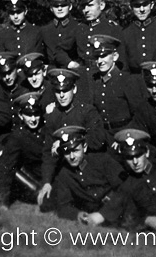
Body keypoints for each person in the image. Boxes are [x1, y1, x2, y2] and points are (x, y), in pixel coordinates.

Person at [36, 69, 107, 207]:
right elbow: (48, 153)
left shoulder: (87, 111)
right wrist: (46, 182)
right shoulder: (53, 116)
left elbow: (99, 139)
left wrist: (67, 143)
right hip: (66, 171)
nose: (62, 95)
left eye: (66, 90)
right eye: (58, 91)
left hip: (88, 167)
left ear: (74, 89)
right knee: (46, 202)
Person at [44, 126, 128, 223]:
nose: (71, 157)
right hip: (93, 215)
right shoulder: (64, 173)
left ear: (84, 147)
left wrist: (103, 214)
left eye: (75, 151)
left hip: (119, 209)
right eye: (67, 152)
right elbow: (63, 206)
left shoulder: (103, 161)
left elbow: (125, 188)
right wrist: (77, 215)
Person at [85, 34, 146, 145]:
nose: (99, 61)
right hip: (102, 137)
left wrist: (124, 136)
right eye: (97, 57)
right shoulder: (95, 81)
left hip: (124, 136)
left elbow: (139, 115)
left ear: (115, 56)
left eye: (104, 56)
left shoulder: (127, 80)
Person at [0, 92, 45, 207]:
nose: (33, 119)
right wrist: (2, 200)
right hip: (35, 182)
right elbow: (5, 168)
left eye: (36, 114)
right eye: (28, 115)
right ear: (21, 116)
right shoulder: (18, 137)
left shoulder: (46, 130)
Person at [74, 0, 127, 68]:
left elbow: (122, 61)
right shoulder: (79, 28)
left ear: (102, 5)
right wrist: (69, 63)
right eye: (83, 6)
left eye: (90, 5)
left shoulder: (113, 29)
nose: (86, 10)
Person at [40, 0, 83, 71]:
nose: (60, 9)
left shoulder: (78, 27)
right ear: (51, 8)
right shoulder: (45, 30)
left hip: (74, 73)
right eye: (56, 6)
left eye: (63, 5)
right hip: (51, 75)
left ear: (70, 7)